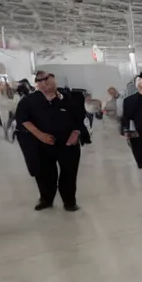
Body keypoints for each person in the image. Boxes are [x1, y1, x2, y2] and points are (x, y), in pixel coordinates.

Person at [15, 71, 85, 211]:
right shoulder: (29, 101)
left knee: (69, 173)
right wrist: (40, 135)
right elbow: (23, 120)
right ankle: (46, 199)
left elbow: (79, 117)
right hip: (42, 145)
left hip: (68, 144)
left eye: (47, 78)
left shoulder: (70, 98)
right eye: (39, 80)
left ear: (54, 79)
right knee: (45, 174)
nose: (44, 82)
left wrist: (76, 133)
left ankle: (69, 202)